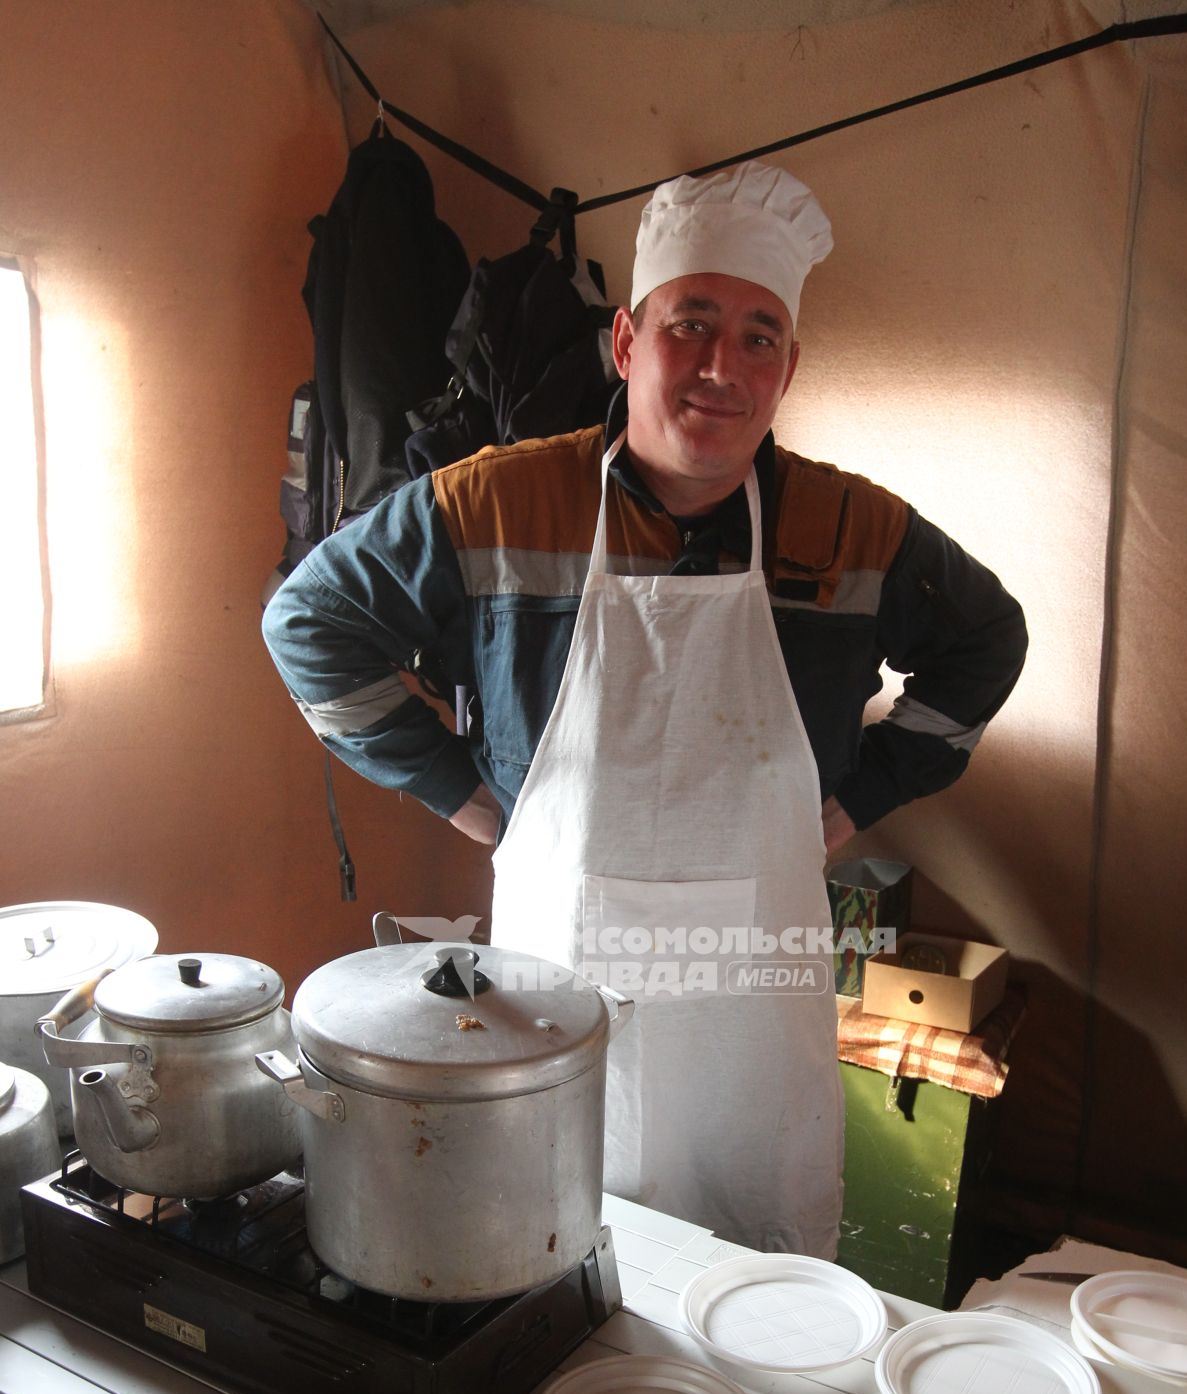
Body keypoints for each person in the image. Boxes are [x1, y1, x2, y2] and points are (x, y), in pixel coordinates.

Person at [263, 161, 1027, 1259]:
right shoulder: (496, 501)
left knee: (753, 1236)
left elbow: (984, 642)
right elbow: (310, 625)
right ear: (624, 343)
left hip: (750, 969)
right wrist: (465, 799)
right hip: (564, 953)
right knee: (561, 1217)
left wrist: (861, 796)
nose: (722, 367)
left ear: (789, 367)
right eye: (691, 325)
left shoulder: (849, 529)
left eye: (759, 336)